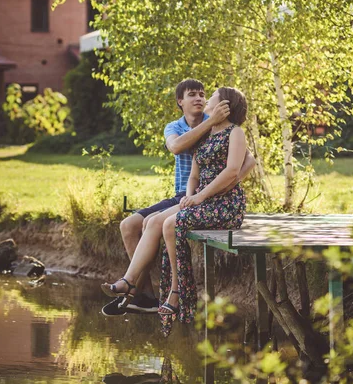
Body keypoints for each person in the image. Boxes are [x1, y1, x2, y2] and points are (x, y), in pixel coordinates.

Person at [101, 83, 255, 318]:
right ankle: (142, 293)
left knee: (155, 223)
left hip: (206, 198)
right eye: (192, 95)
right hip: (185, 195)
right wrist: (210, 123)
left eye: (204, 95)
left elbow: (246, 161)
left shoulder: (226, 127)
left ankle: (157, 290)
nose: (200, 99)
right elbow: (176, 148)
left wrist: (226, 187)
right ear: (179, 102)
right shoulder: (180, 126)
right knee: (130, 224)